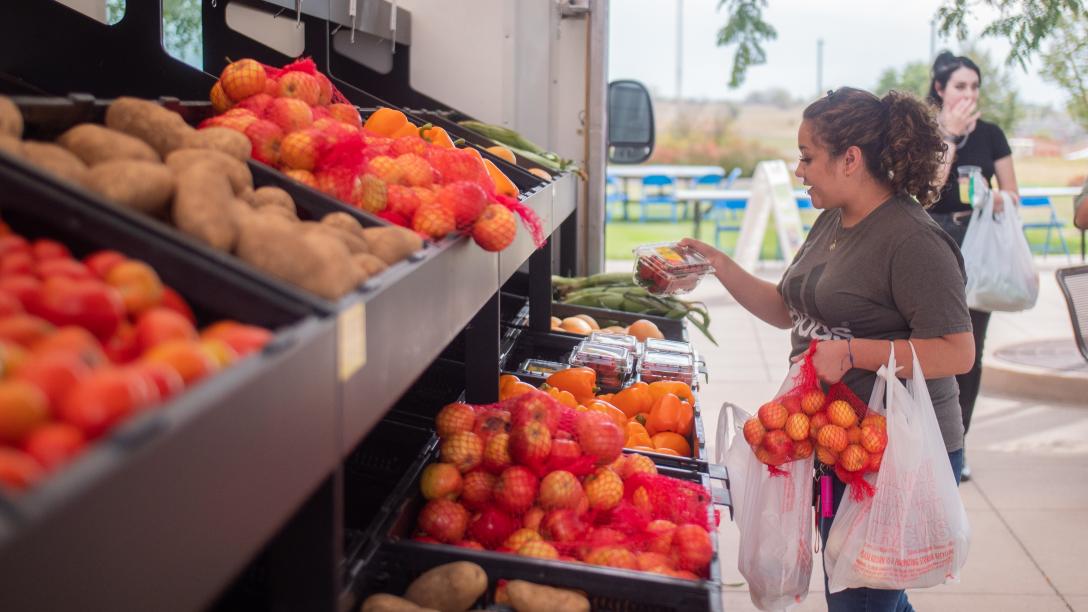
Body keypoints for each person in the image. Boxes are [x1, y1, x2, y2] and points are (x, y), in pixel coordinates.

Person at [682, 86, 974, 611]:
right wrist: (716, 264)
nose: (798, 170)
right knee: (862, 599)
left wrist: (855, 353)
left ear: (851, 160)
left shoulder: (913, 240)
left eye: (807, 157)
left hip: (898, 453)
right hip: (839, 441)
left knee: (860, 602)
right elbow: (787, 309)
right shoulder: (832, 221)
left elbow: (956, 351)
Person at [925, 51, 1019, 481]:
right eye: (960, 86)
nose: (968, 94)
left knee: (969, 350)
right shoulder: (926, 132)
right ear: (941, 89)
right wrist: (950, 135)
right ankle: (925, 439)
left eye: (974, 87)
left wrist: (991, 196)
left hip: (976, 241)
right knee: (927, 344)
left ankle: (957, 445)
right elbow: (926, 191)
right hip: (932, 242)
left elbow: (1014, 194)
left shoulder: (992, 135)